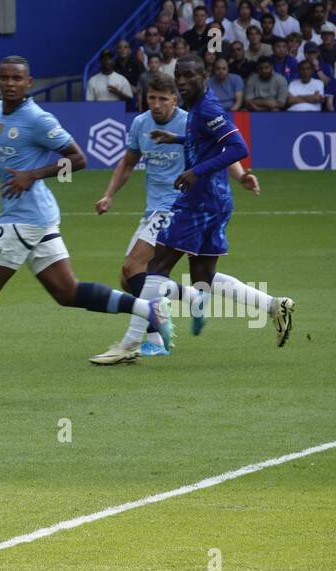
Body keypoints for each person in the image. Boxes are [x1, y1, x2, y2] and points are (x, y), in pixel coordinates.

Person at [0, 56, 171, 391]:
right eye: (4, 77)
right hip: (37, 216)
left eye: (16, 79)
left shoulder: (37, 117)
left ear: (29, 82)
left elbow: (78, 159)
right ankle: (145, 308)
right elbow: (8, 157)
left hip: (23, 219)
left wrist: (34, 175)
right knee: (67, 292)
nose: (9, 83)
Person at [99, 54, 290, 362]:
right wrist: (175, 139)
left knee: (152, 270)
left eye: (189, 77)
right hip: (211, 200)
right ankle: (273, 305)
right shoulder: (189, 113)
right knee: (202, 277)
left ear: (203, 77)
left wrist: (197, 171)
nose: (184, 82)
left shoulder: (206, 109)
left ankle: (132, 343)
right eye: (180, 77)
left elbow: (238, 147)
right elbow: (204, 142)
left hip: (192, 202)